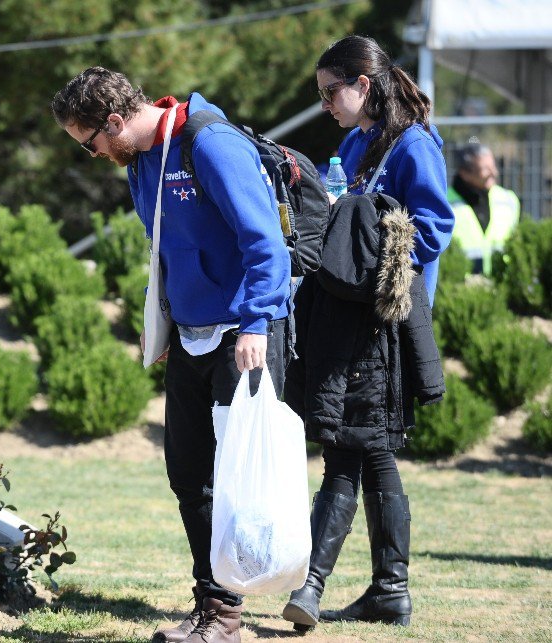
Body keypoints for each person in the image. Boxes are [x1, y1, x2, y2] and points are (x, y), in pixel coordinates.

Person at [52, 67, 291, 643]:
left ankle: (227, 615)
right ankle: (212, 604)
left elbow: (265, 242)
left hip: (243, 332)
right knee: (188, 473)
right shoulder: (141, 161)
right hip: (188, 333)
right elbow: (165, 247)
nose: (94, 154)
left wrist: (256, 323)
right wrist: (156, 318)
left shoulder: (210, 142)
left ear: (114, 121)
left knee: (236, 481)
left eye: (91, 143)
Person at [281, 35, 453, 632]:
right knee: (370, 451)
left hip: (383, 325)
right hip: (341, 322)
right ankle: (389, 592)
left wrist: (374, 254)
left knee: (349, 453)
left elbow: (432, 230)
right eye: (322, 94)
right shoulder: (355, 141)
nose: (326, 104)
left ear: (364, 83)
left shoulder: (413, 144)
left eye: (332, 91)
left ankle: (313, 585)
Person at [448, 140, 521, 275]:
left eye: (493, 166)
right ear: (465, 174)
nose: (494, 173)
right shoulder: (445, 203)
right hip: (459, 287)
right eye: (485, 169)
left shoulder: (508, 199)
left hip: (501, 283)